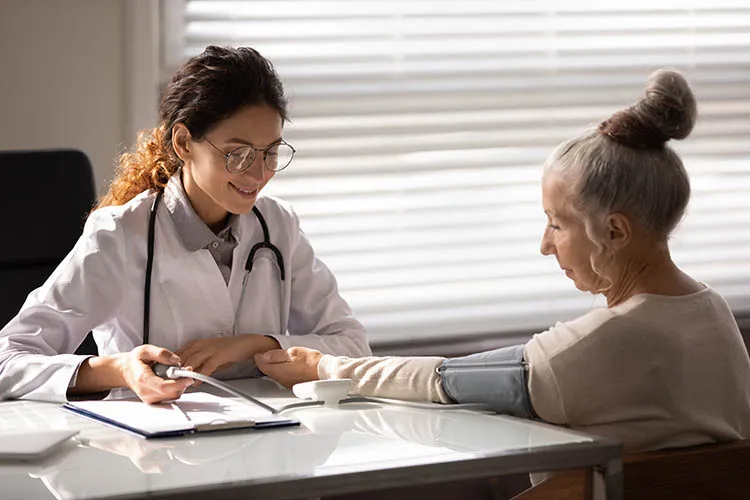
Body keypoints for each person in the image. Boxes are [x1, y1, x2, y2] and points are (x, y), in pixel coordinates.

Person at [256, 68, 750, 453]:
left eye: (557, 224)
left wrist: (324, 366)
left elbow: (443, 381)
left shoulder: (605, 342)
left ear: (615, 231)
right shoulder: (712, 314)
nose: (545, 244)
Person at [0, 46, 370, 404]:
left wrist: (256, 343)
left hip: (269, 439)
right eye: (237, 154)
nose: (259, 174)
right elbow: (8, 361)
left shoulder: (278, 227)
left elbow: (352, 344)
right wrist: (119, 369)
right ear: (183, 143)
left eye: (270, 153)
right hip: (151, 451)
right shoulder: (118, 235)